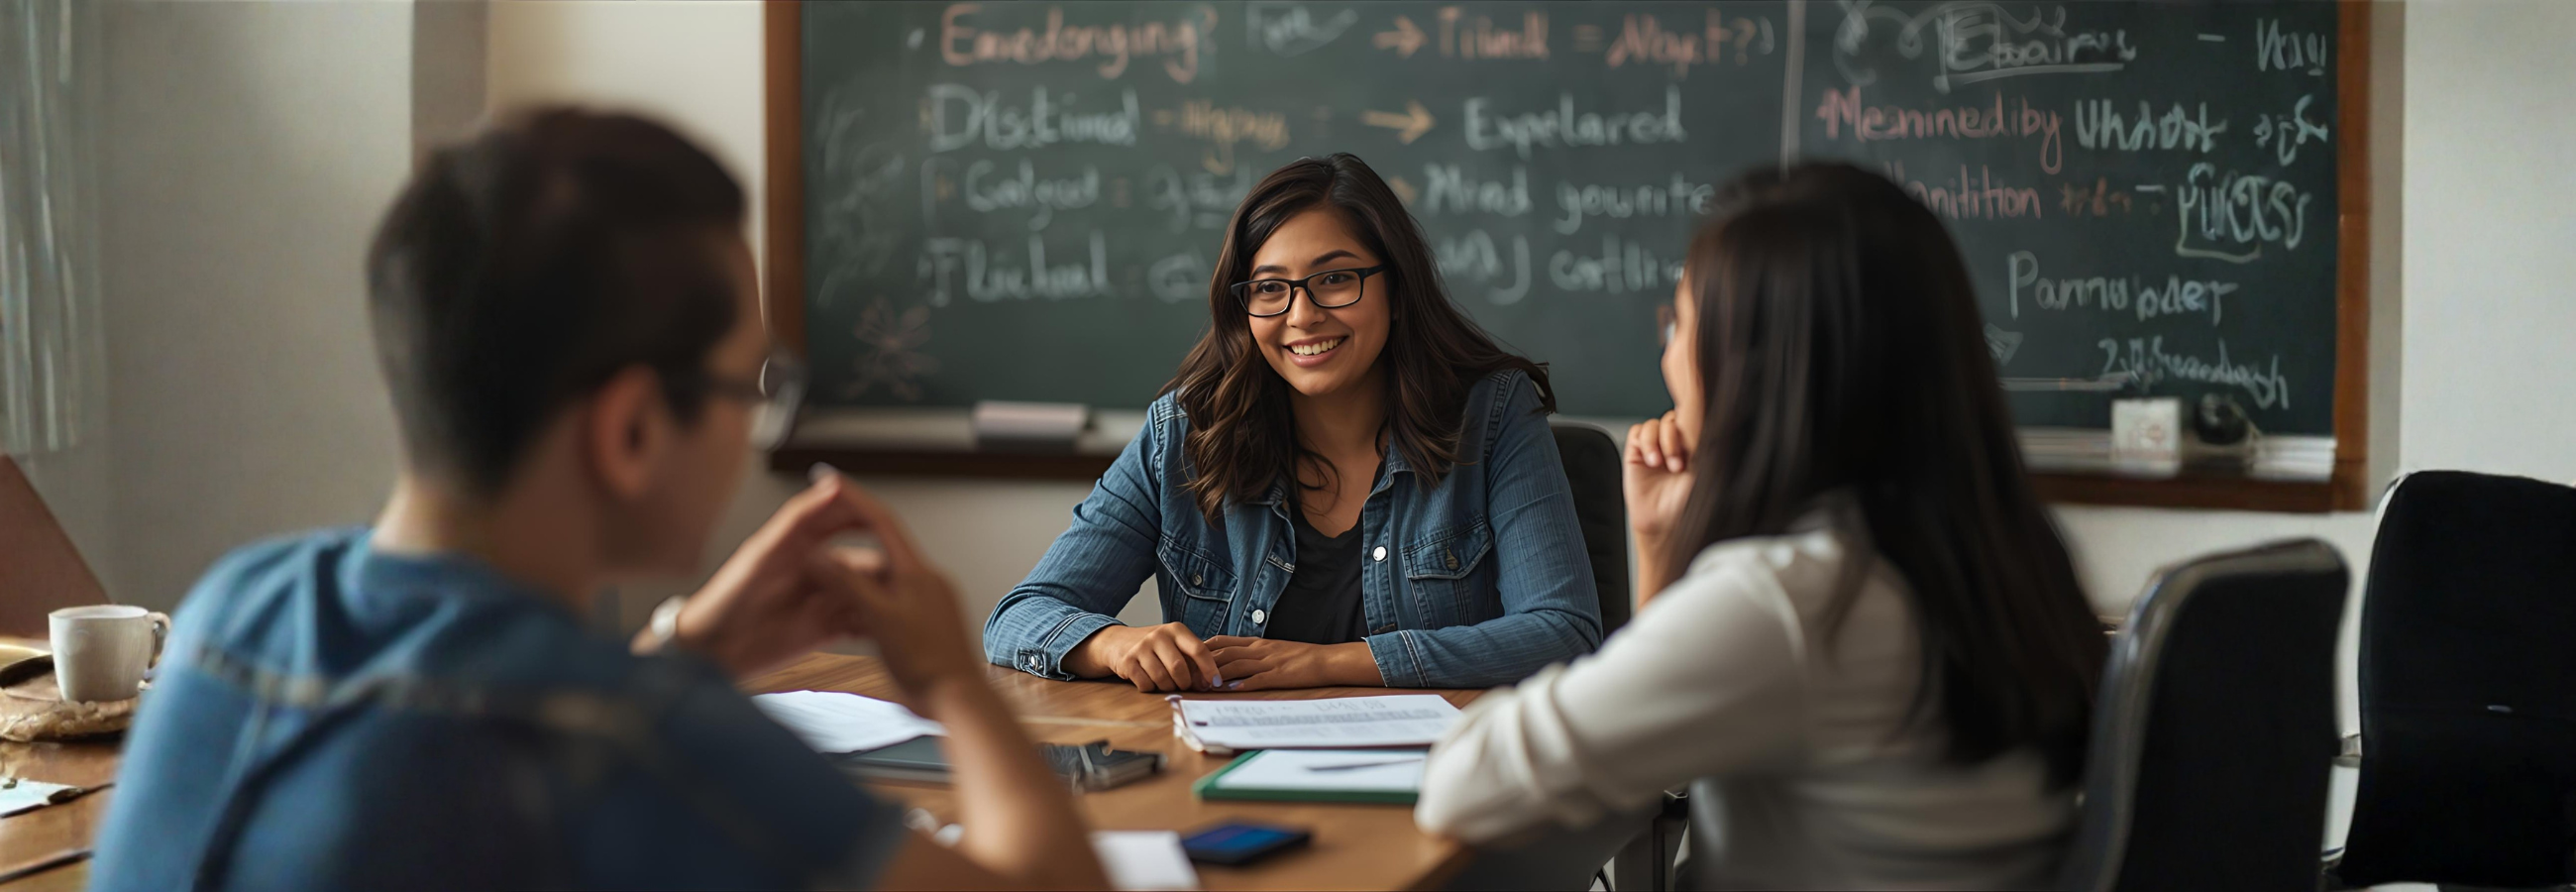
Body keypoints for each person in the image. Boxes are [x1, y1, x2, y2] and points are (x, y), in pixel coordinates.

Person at [90, 109, 1107, 891]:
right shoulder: (654, 743)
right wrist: (950, 686)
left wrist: (684, 657)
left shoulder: (233, 606)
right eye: (747, 384)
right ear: (628, 432)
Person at [1414, 164, 2110, 890]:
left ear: (1758, 365)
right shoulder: (1998, 555)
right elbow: (1668, 744)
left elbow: (1468, 784)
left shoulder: (1793, 598)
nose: (1669, 352)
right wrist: (1657, 541)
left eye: (1680, 322)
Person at [982, 154, 1600, 693]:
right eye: (1270, 288)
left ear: (1397, 287)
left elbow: (1561, 632)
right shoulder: (1185, 434)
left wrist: (1329, 664)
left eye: (1335, 279)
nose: (1301, 316)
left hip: (1442, 776)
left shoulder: (1492, 417)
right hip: (1229, 770)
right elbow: (1019, 617)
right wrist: (1113, 645)